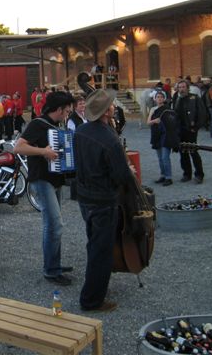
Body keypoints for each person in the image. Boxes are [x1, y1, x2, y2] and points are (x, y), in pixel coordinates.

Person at [74, 88, 135, 312]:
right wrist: (129, 171)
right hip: (103, 200)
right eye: (111, 104)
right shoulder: (110, 139)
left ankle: (96, 287)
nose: (114, 106)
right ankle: (91, 300)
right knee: (101, 251)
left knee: (94, 243)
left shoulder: (80, 130)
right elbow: (121, 176)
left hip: (85, 196)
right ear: (106, 111)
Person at [14, 91, 76, 286]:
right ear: (59, 109)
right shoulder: (37, 124)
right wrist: (43, 152)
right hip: (41, 179)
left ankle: (54, 264)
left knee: (53, 225)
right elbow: (18, 147)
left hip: (55, 179)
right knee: (54, 225)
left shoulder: (57, 126)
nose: (68, 114)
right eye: (67, 111)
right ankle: (51, 270)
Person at [174, 80, 207, 183]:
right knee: (183, 153)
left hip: (191, 129)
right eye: (180, 87)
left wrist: (196, 127)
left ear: (187, 88)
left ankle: (199, 175)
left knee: (193, 151)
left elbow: (202, 113)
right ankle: (187, 174)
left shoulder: (195, 98)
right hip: (180, 130)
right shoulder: (177, 99)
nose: (181, 89)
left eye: (183, 87)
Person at [147, 91, 179, 186]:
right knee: (160, 158)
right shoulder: (153, 109)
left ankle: (169, 177)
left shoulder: (168, 109)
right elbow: (148, 122)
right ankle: (163, 175)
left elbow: (173, 123)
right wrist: (155, 121)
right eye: (158, 97)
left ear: (164, 98)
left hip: (166, 135)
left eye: (161, 97)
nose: (159, 98)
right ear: (155, 98)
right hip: (156, 134)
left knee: (165, 157)